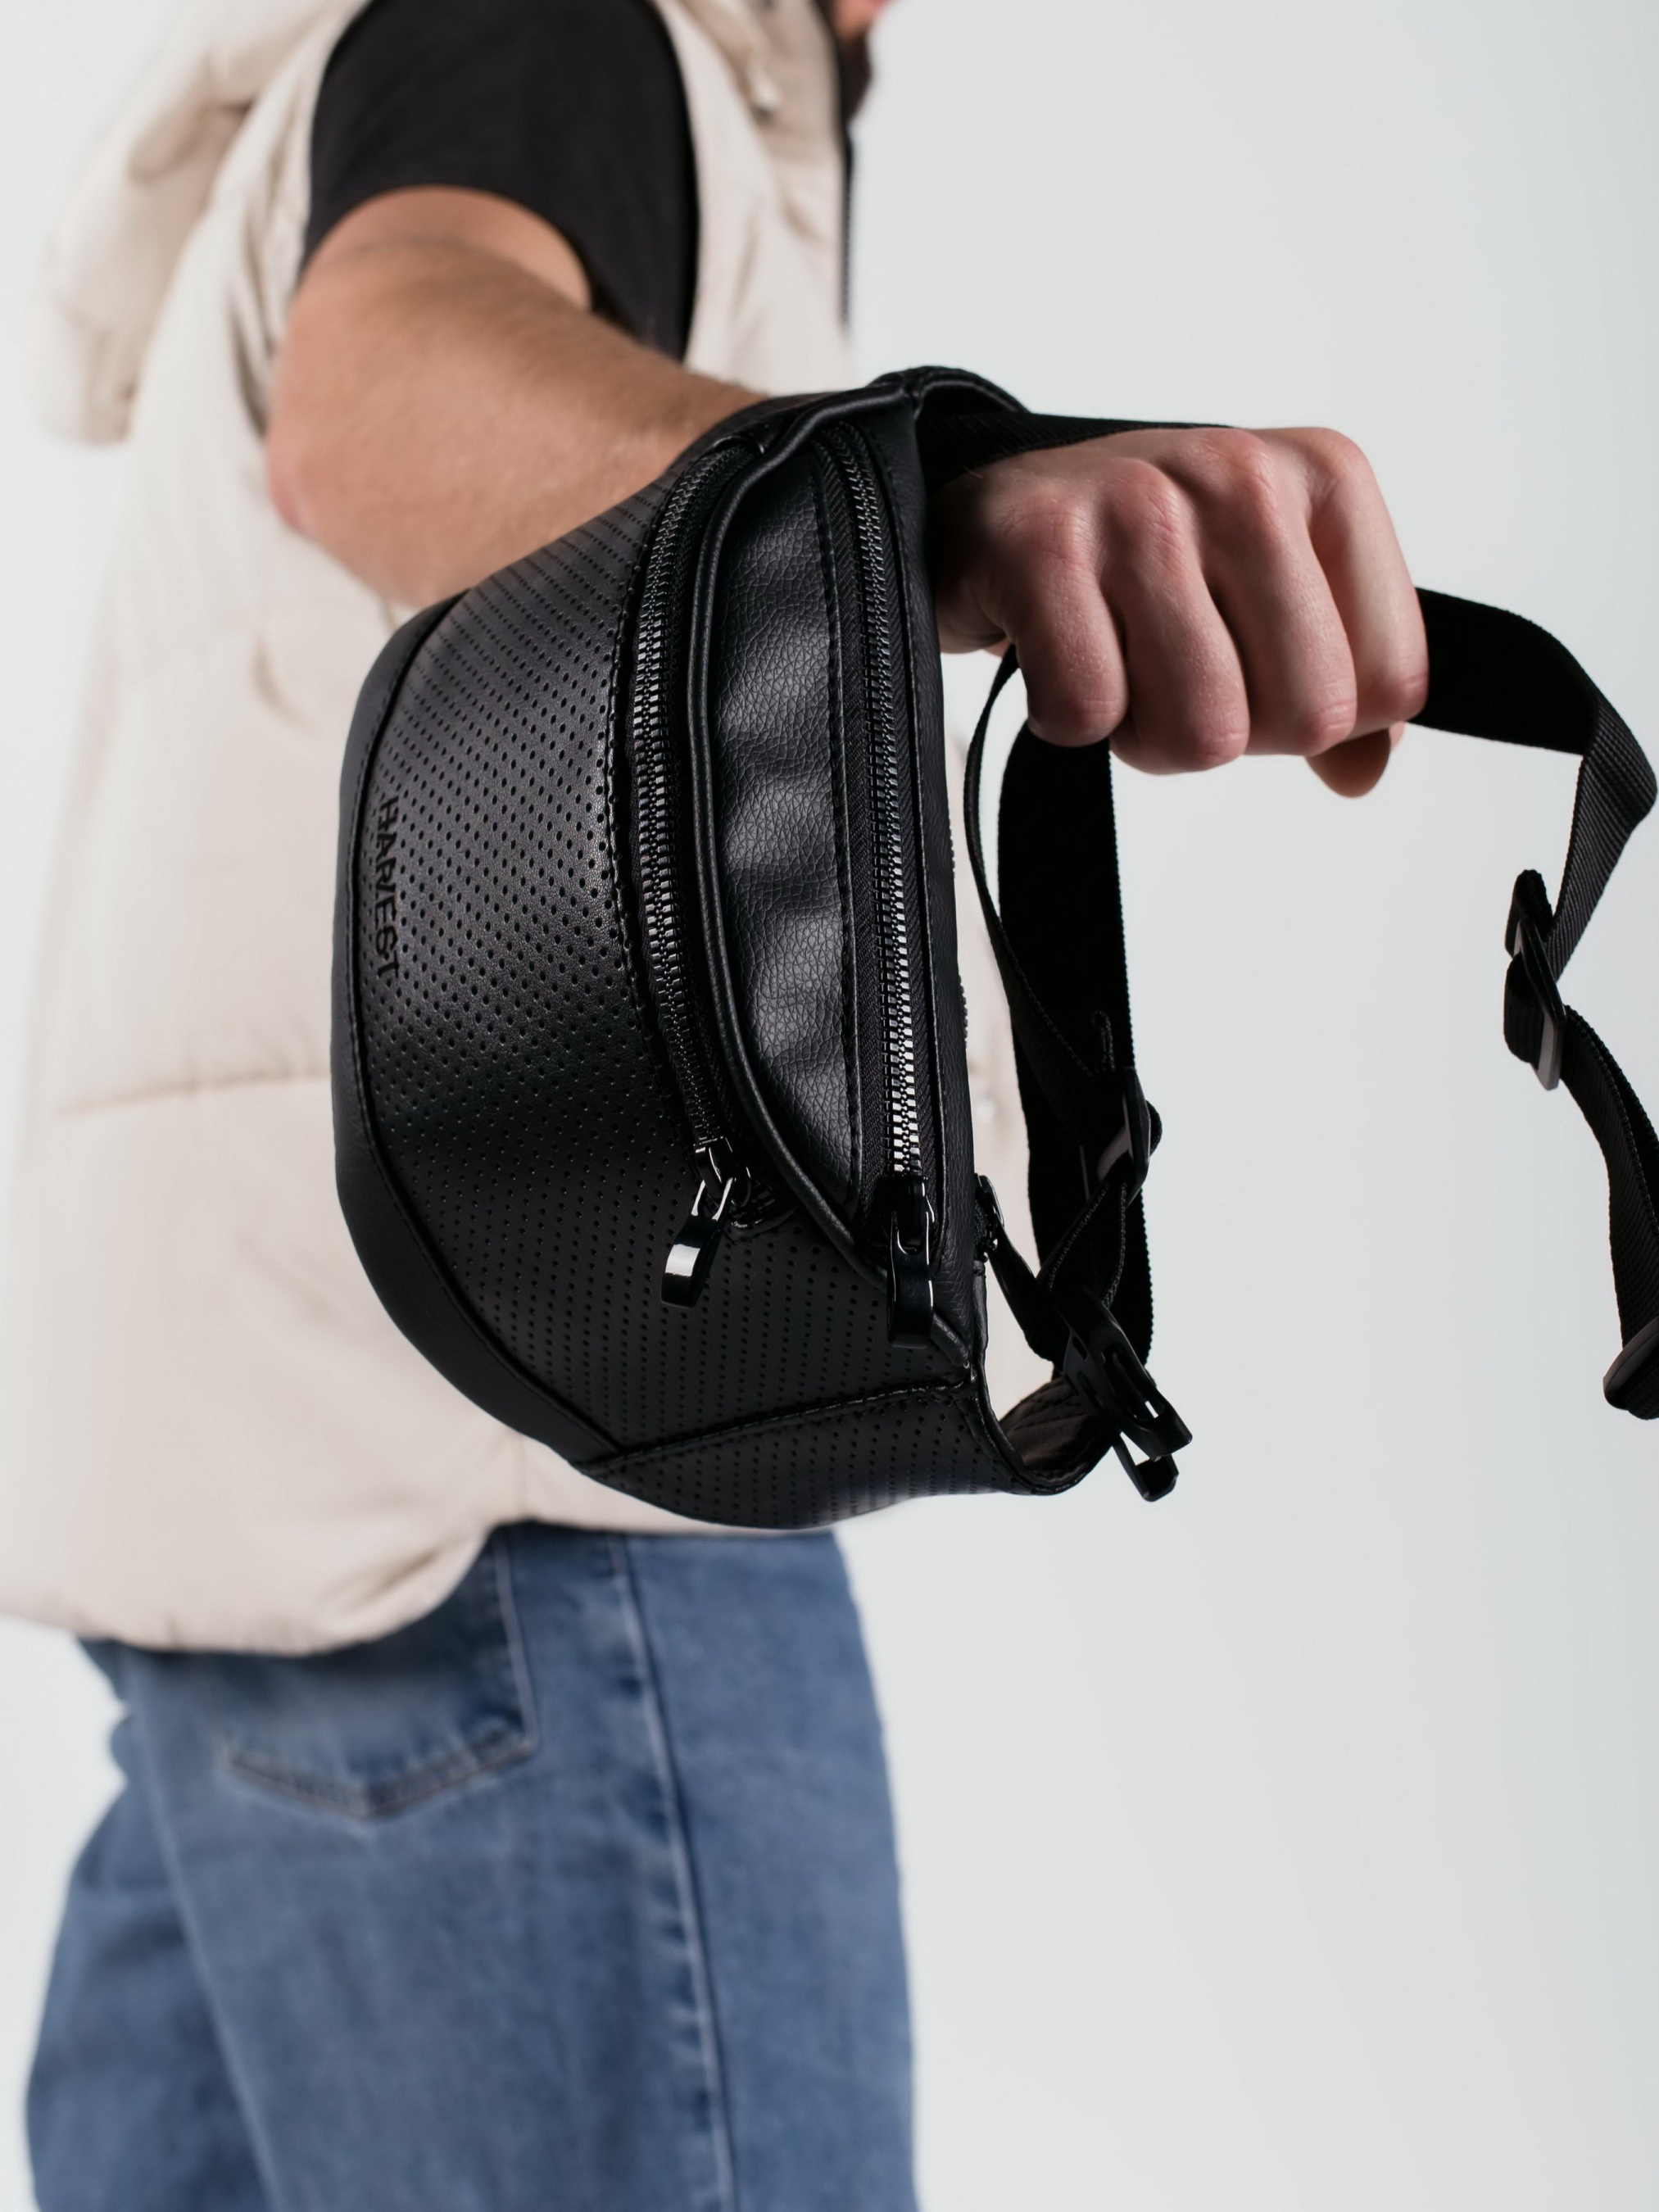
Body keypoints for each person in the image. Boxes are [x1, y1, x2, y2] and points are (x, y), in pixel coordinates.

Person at [8, 0, 1426, 2204]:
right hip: (521, 1517)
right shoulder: (572, 26)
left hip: (248, 1543)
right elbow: (382, 377)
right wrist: (898, 508)